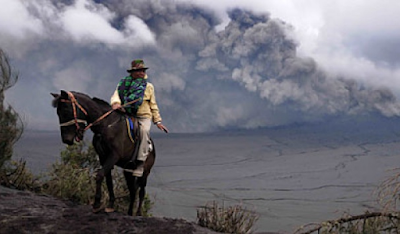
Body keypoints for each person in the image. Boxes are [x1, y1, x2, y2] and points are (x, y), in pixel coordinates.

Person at [110, 59, 168, 177]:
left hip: (143, 116)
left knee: (144, 131)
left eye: (143, 70)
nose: (142, 73)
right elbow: (116, 95)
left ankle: (140, 163)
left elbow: (153, 104)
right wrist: (116, 103)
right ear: (132, 72)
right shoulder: (123, 83)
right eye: (139, 71)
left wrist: (158, 121)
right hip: (127, 114)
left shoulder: (149, 87)